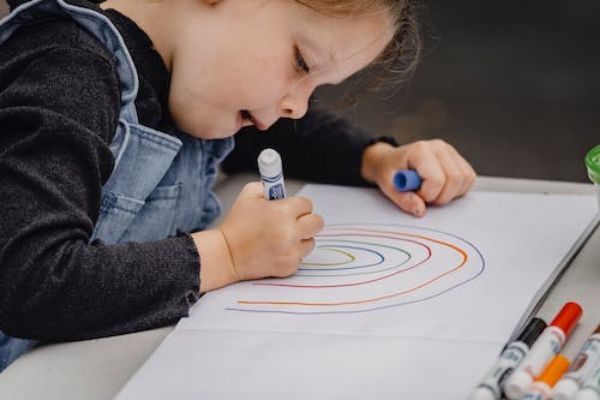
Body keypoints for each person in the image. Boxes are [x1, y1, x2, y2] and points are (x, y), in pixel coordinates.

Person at [0, 0, 476, 371]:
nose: (298, 107)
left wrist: (376, 159)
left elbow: (274, 138)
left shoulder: (190, 79)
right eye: (300, 62)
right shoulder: (69, 71)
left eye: (317, 88)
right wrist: (227, 254)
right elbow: (29, 278)